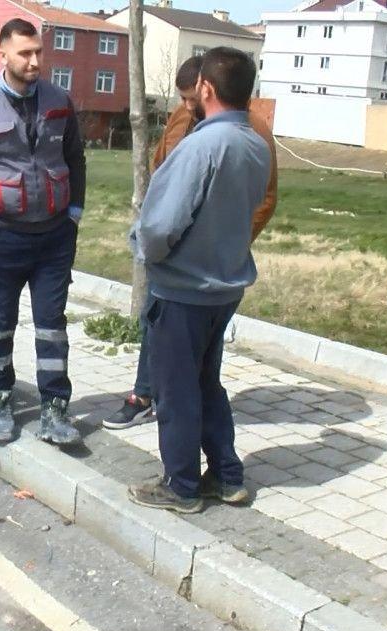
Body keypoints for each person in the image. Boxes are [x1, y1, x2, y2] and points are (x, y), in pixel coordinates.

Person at [126, 48, 272, 514]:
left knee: (175, 390)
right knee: (207, 384)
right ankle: (227, 478)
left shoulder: (201, 146)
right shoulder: (254, 143)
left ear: (205, 88)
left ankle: (182, 486)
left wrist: (147, 254)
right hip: (224, 286)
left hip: (183, 289)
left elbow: (159, 226)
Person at [103, 55, 278, 433]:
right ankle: (149, 399)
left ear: (206, 88)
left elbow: (264, 199)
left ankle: (181, 481)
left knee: (187, 385)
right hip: (175, 267)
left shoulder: (251, 135)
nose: (185, 105)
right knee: (180, 362)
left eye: (190, 95)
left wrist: (223, 245)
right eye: (180, 98)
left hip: (204, 274)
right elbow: (162, 171)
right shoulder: (187, 122)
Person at [0, 18, 86, 446]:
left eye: (38, 52)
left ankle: (55, 410)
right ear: (3, 54)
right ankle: (1, 399)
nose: (34, 61)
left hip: (54, 238)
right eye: (25, 53)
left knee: (51, 326)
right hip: (1, 237)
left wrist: (74, 214)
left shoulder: (59, 101)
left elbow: (76, 159)